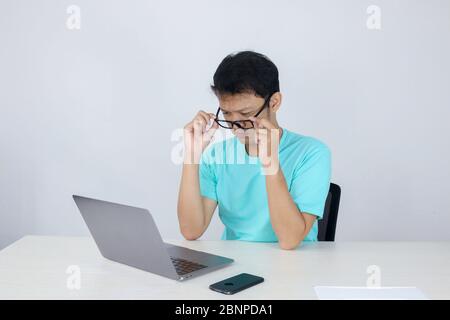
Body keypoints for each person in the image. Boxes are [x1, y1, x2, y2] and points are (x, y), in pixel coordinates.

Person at [177, 51, 331, 250]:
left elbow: (289, 240)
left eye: (246, 114)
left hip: (293, 266)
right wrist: (191, 156)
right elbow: (191, 230)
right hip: (235, 266)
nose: (234, 125)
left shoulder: (312, 153)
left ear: (274, 102)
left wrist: (269, 161)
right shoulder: (217, 156)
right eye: (226, 113)